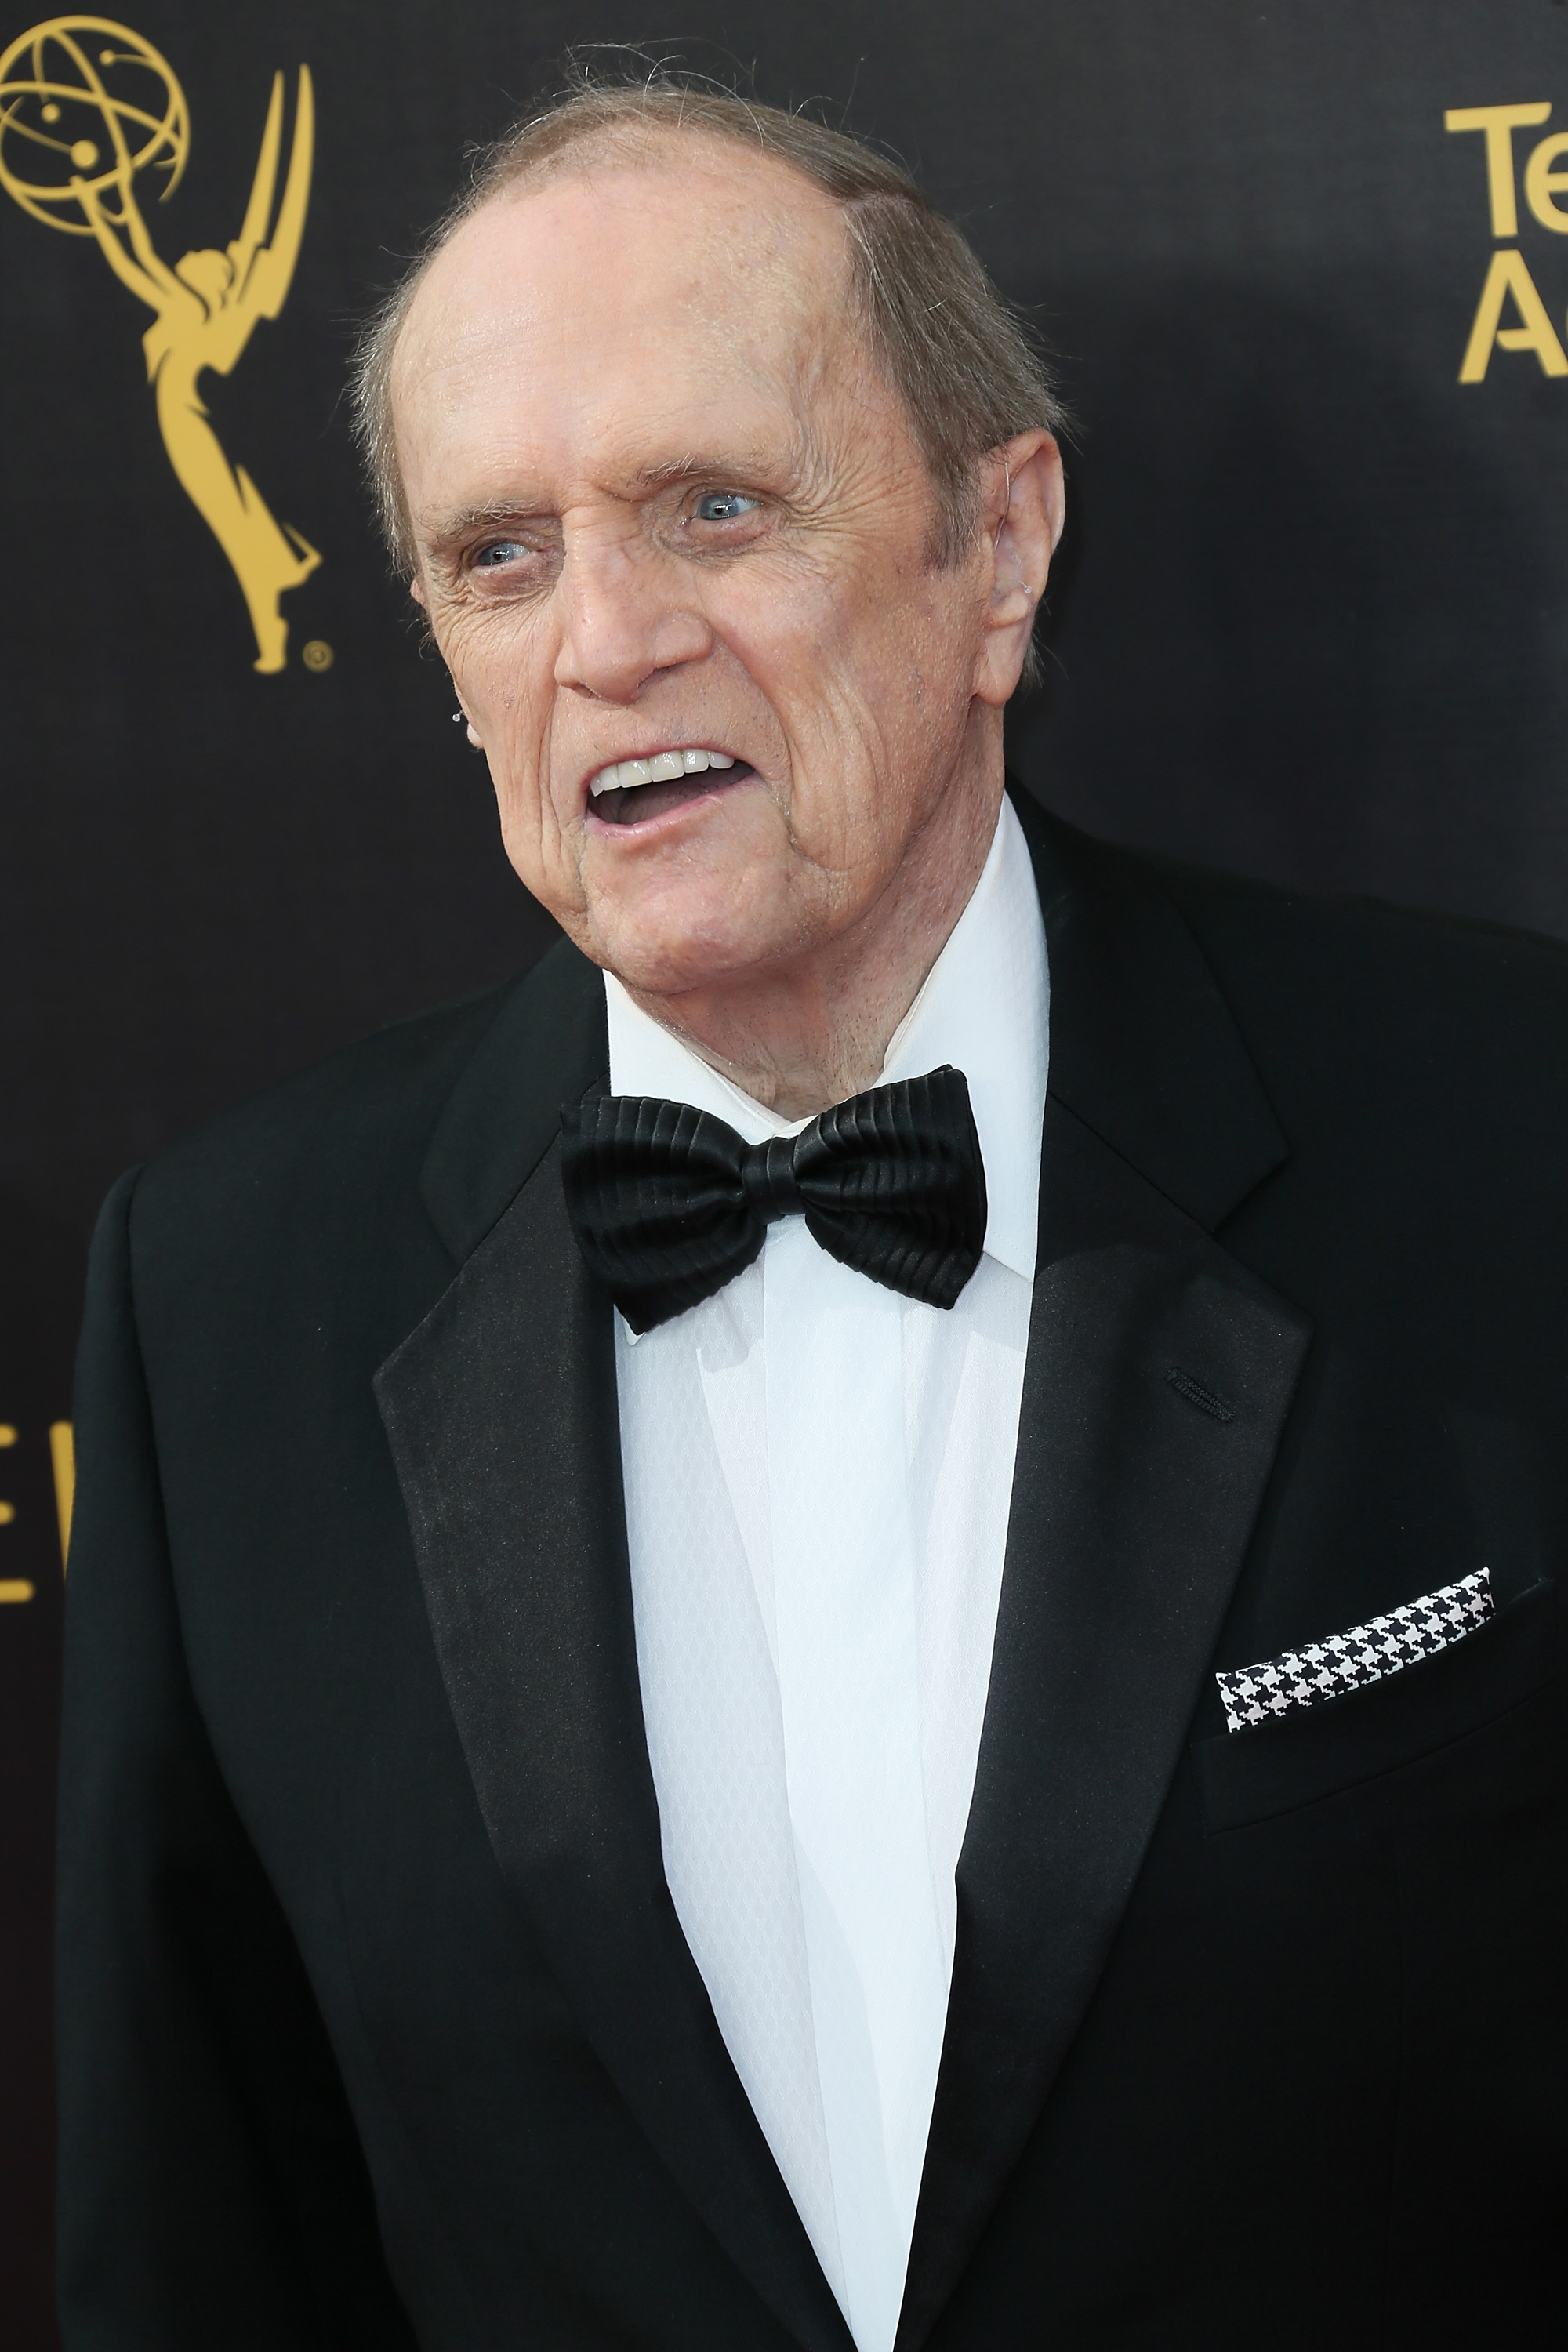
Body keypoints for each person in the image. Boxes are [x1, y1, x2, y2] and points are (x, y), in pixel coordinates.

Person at [56, 76, 1565, 2352]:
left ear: (1001, 541)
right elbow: (200, 2238)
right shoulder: (224, 1299)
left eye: (718, 506)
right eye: (499, 555)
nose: (606, 640)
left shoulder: (1503, 1123)